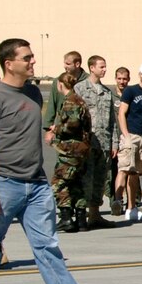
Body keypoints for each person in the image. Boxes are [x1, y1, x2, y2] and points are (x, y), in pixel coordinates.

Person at [0, 38, 99, 284]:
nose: (32, 61)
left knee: (48, 246)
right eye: (27, 58)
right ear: (9, 64)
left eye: (32, 57)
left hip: (36, 185)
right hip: (4, 184)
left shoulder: (35, 93)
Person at [75, 55, 120, 224]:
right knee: (86, 178)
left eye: (105, 66)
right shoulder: (80, 89)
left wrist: (114, 142)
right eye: (101, 66)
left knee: (101, 179)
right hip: (88, 142)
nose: (104, 69)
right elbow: (76, 117)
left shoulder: (107, 92)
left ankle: (95, 214)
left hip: (104, 142)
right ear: (91, 68)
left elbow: (112, 121)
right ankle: (81, 214)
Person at [49, 71, 95, 234]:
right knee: (76, 183)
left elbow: (72, 124)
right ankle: (81, 218)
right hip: (81, 149)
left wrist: (56, 130)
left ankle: (66, 217)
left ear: (60, 84)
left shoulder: (70, 101)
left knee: (59, 182)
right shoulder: (80, 100)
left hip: (71, 149)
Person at [117, 67, 142, 221]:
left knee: (135, 174)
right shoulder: (130, 91)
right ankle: (121, 202)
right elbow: (122, 113)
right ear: (140, 75)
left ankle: (132, 207)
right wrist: (126, 135)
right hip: (131, 135)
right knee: (125, 168)